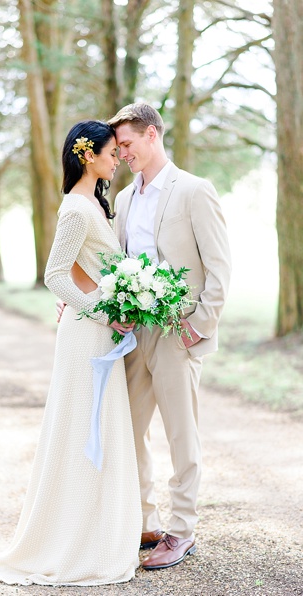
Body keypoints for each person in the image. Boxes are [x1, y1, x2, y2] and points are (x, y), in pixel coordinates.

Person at [0, 120, 141, 586]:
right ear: (88, 156)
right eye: (112, 153)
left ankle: (98, 532)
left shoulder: (95, 204)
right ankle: (71, 541)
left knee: (100, 429)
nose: (118, 160)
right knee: (81, 429)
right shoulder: (76, 208)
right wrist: (102, 311)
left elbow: (83, 270)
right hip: (86, 336)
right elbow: (55, 274)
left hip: (99, 331)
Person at [107, 103, 231, 569]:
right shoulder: (122, 200)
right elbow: (116, 263)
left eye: (127, 144)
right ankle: (145, 521)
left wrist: (198, 326)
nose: (121, 154)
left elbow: (220, 269)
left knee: (182, 434)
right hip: (134, 333)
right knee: (129, 429)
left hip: (178, 332)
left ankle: (182, 532)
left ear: (152, 134)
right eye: (117, 147)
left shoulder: (195, 191)